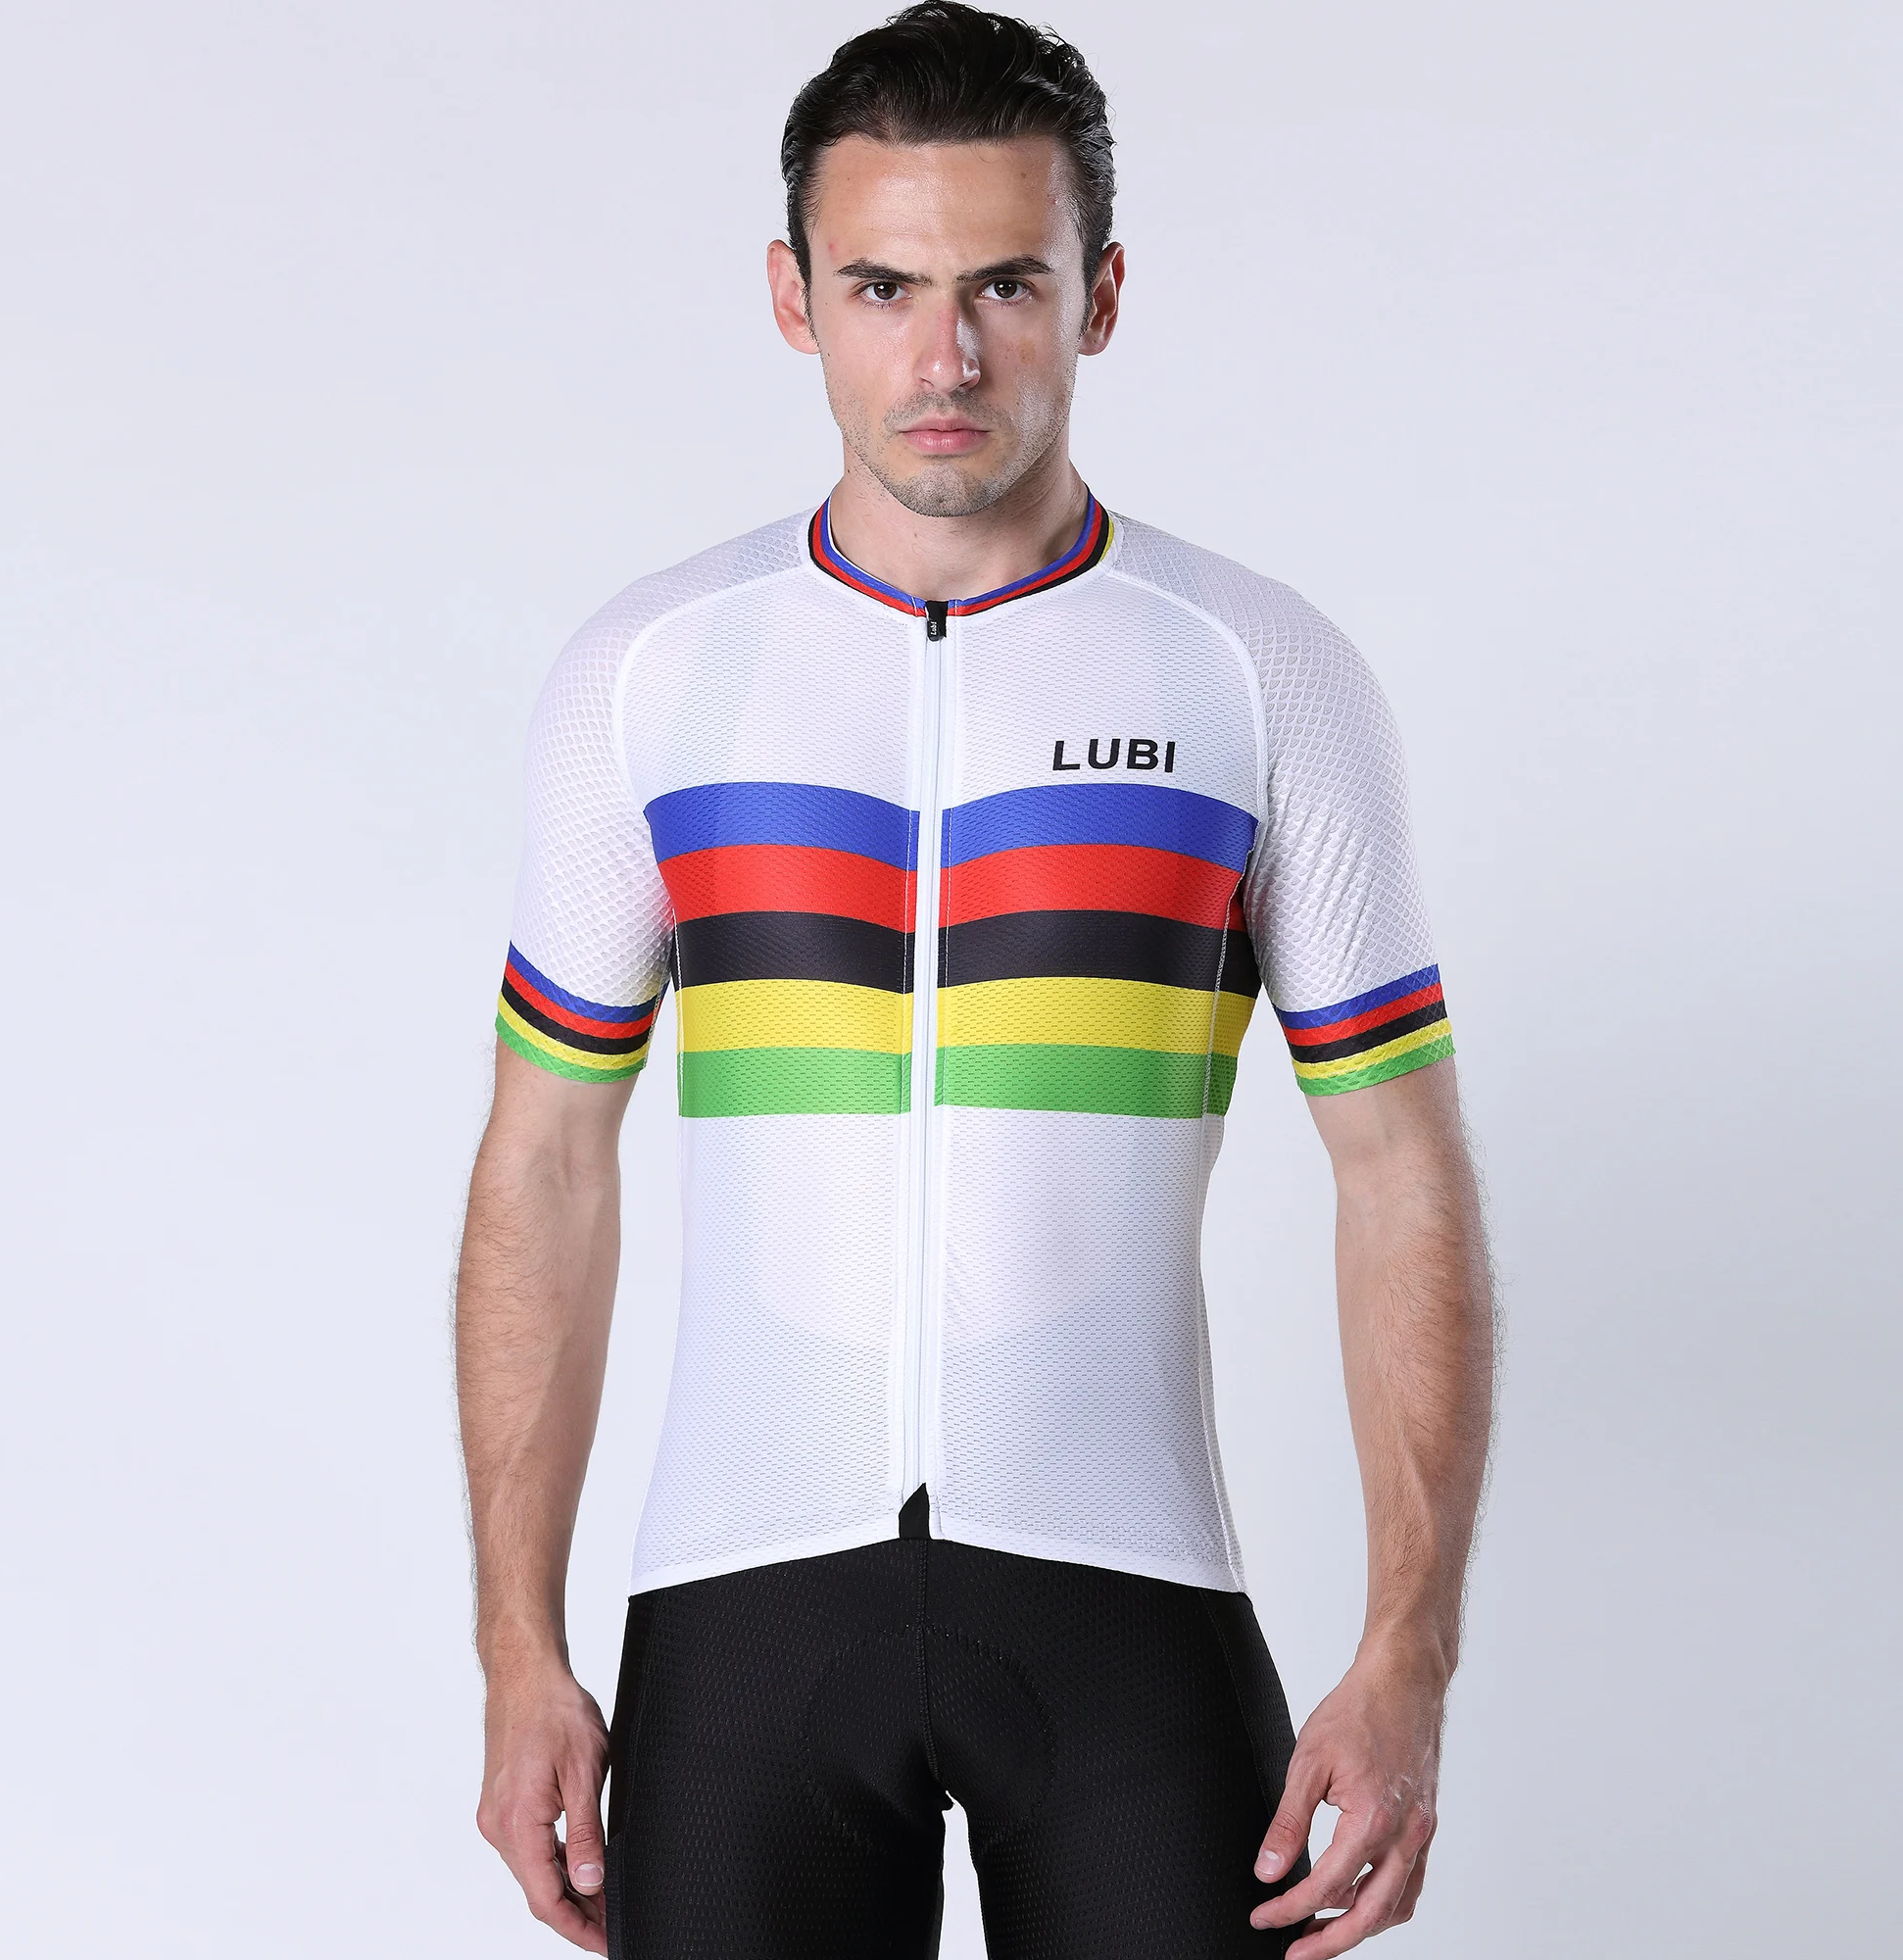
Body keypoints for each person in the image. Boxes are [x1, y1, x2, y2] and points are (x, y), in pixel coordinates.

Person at [456, 6, 1493, 1955]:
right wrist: (519, 1649)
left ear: (1100, 295)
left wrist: (1408, 1653)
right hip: (745, 1603)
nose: (944, 358)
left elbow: (1401, 1173)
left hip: (1125, 1599)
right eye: (884, 287)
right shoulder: (652, 675)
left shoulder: (1257, 670)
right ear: (794, 298)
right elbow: (545, 1165)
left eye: (1005, 285)